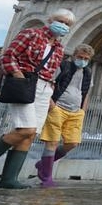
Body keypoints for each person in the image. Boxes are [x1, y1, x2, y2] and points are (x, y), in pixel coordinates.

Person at [0, 8, 74, 189]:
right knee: (26, 129)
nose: (63, 26)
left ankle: (9, 179)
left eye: (67, 24)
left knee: (31, 134)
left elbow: (51, 72)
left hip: (44, 89)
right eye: (60, 21)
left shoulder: (59, 48)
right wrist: (18, 75)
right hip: (24, 83)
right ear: (50, 20)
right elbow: (8, 56)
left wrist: (49, 92)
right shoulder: (30, 34)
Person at [35, 44, 95, 188]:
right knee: (52, 141)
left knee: (72, 143)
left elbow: (85, 92)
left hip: (76, 112)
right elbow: (50, 83)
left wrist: (83, 110)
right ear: (74, 55)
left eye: (86, 58)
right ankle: (46, 178)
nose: (82, 60)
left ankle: (43, 164)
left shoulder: (88, 72)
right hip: (58, 108)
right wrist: (51, 104)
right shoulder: (63, 66)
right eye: (80, 57)